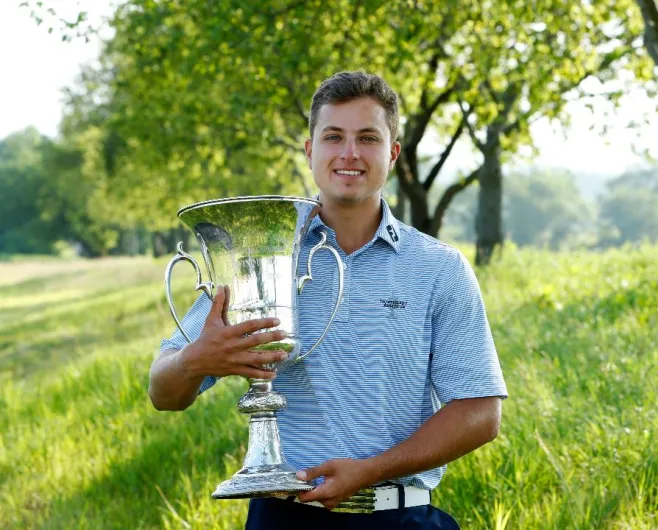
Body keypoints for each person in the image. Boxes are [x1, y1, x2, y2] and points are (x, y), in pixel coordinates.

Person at [149, 71, 508, 530]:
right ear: (310, 150)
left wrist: (371, 470)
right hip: (285, 517)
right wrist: (192, 362)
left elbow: (480, 413)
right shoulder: (258, 255)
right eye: (333, 136)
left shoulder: (440, 268)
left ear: (393, 153)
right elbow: (163, 392)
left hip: (402, 517)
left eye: (368, 138)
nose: (349, 153)